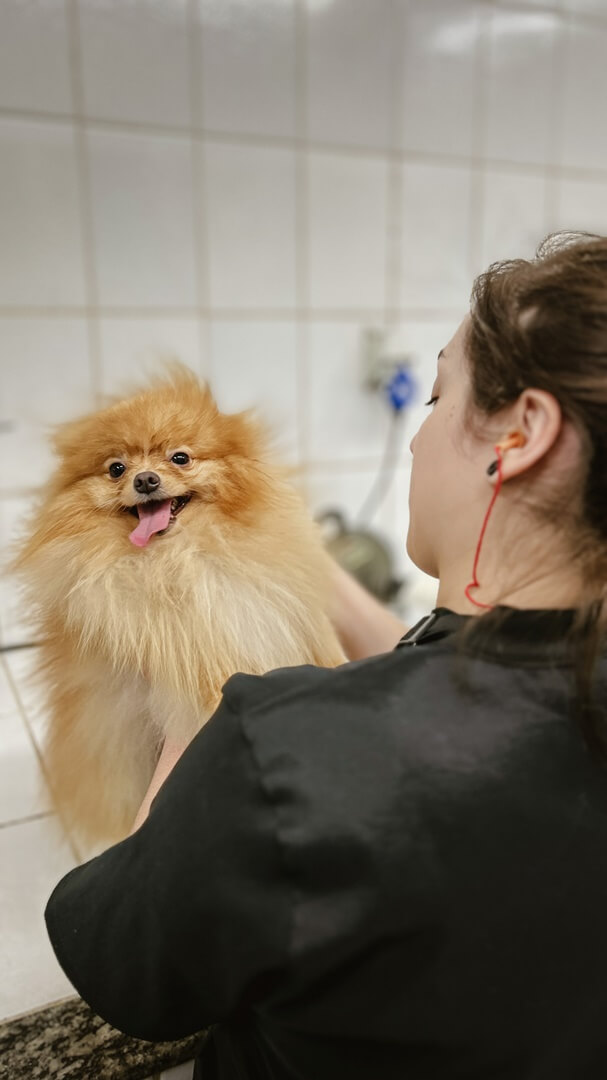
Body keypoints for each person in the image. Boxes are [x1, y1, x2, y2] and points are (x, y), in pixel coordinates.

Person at [45, 232, 607, 1079]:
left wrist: (180, 729)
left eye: (436, 397)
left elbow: (122, 962)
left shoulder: (276, 752)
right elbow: (465, 681)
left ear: (520, 434)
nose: (414, 440)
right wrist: (302, 568)